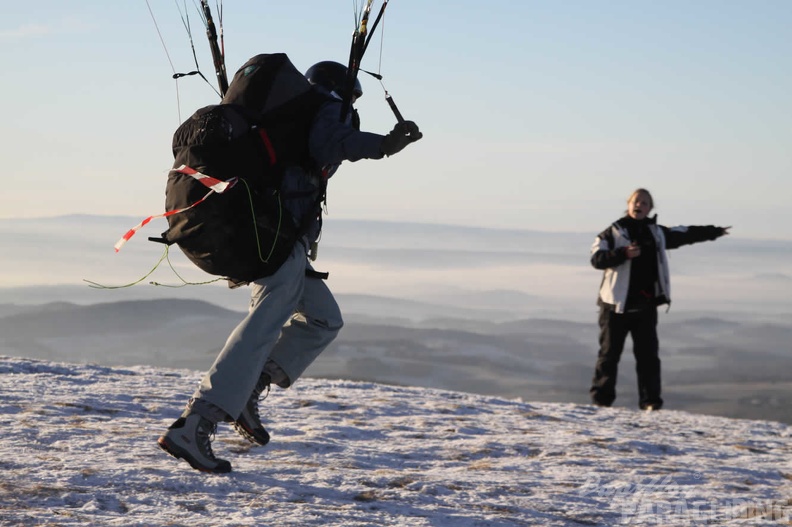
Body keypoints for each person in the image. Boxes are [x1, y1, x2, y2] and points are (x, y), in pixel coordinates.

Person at [157, 60, 422, 473]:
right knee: (265, 322)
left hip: (262, 232)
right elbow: (335, 143)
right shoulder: (325, 105)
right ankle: (196, 422)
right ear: (342, 91)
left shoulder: (281, 116)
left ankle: (246, 392)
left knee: (322, 319)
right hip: (268, 233)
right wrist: (387, 144)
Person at [589, 188, 729, 411]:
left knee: (648, 358)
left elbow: (685, 233)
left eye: (645, 203)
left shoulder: (657, 233)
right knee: (608, 355)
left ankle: (651, 403)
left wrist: (714, 232)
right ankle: (601, 402)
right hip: (615, 306)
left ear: (650, 208)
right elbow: (596, 259)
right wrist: (623, 253)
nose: (640, 205)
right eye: (636, 201)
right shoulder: (612, 232)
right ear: (628, 204)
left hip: (645, 306)